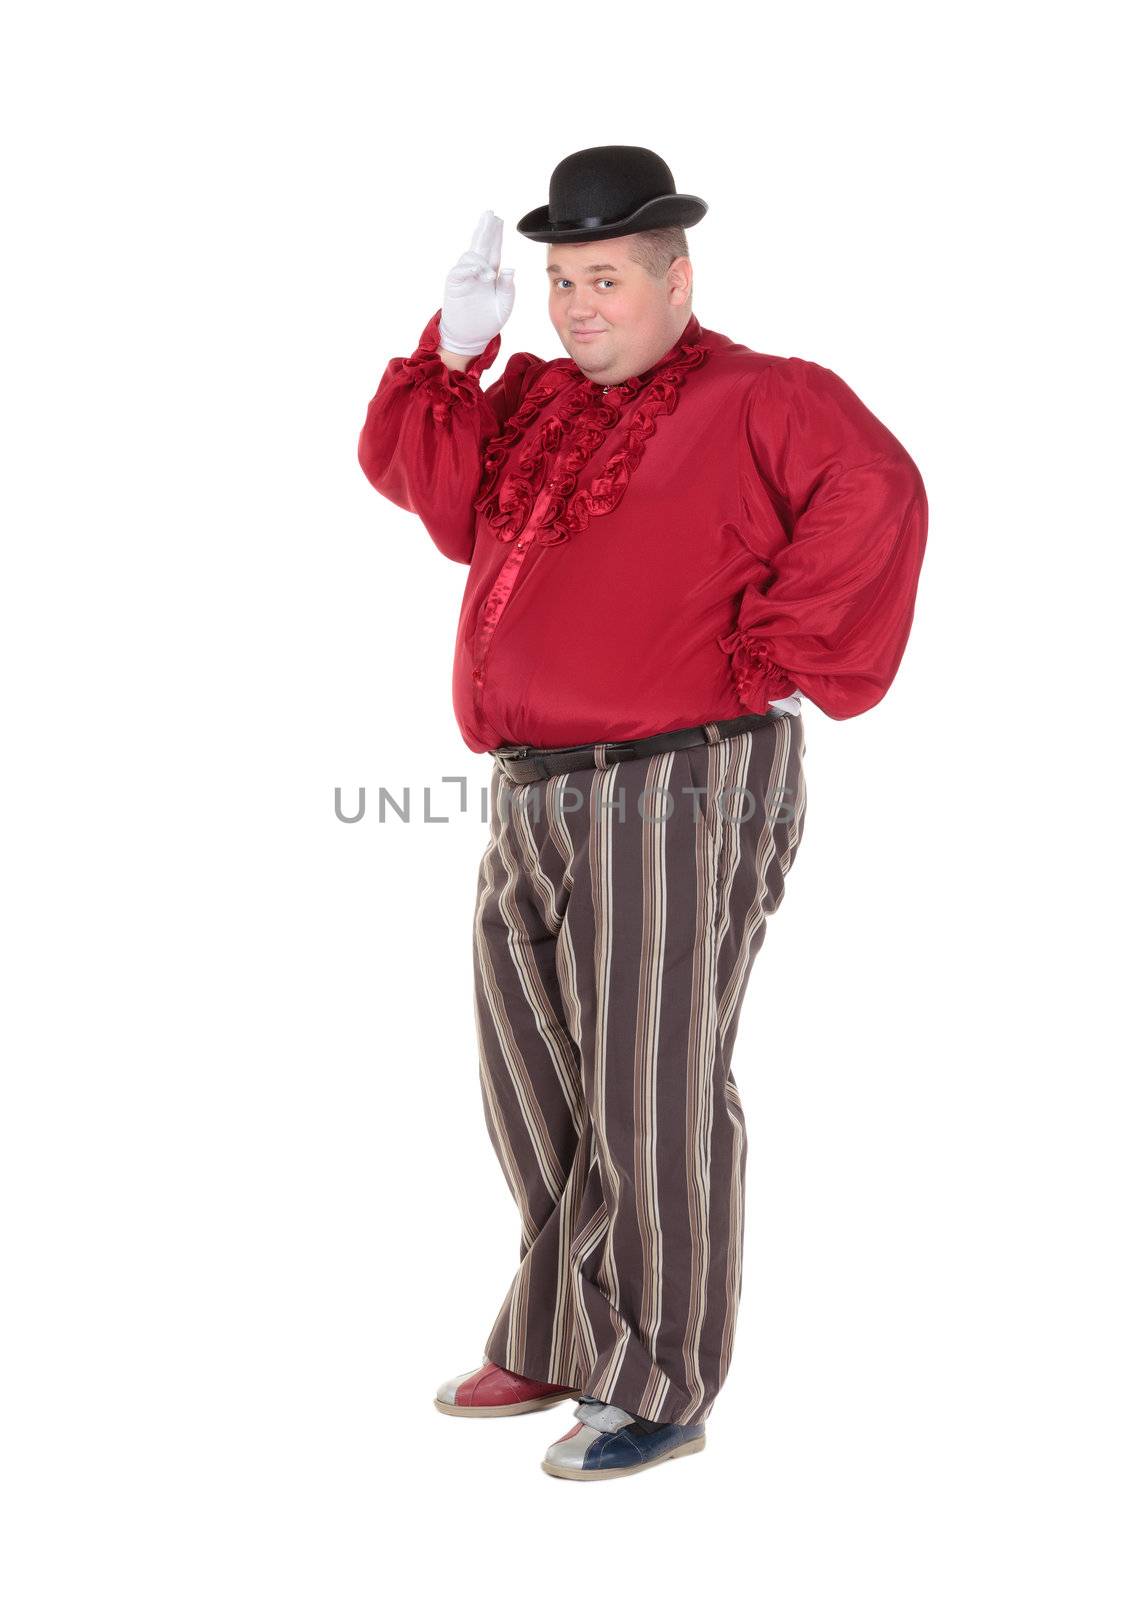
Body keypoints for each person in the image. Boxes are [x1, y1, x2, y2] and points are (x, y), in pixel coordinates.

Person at [357, 145, 928, 1481]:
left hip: (683, 783)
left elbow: (879, 493)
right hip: (534, 787)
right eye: (561, 280)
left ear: (677, 277)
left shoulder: (766, 396)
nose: (576, 306)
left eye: (602, 278)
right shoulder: (540, 402)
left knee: (648, 1084)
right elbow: (436, 500)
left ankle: (658, 1382)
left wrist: (768, 652)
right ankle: (565, 1333)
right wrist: (452, 358)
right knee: (532, 1075)